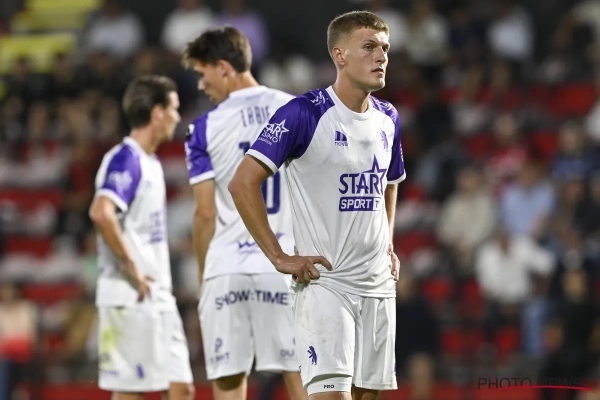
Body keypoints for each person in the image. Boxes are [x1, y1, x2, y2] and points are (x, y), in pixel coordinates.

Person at [229, 10, 405, 400]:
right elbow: (242, 183)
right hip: (327, 285)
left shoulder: (389, 118)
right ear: (339, 55)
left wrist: (389, 243)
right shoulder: (304, 113)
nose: (381, 57)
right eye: (369, 47)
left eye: (385, 48)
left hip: (378, 287)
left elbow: (389, 183)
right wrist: (278, 257)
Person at [181, 27, 306, 400]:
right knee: (301, 376)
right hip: (285, 263)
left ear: (223, 67)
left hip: (227, 270)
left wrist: (204, 278)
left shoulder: (202, 128)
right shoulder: (297, 109)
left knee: (229, 382)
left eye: (202, 73)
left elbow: (205, 215)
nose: (201, 85)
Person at [88, 75, 194, 400]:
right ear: (157, 112)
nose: (177, 116)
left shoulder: (152, 162)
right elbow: (101, 212)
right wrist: (130, 263)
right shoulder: (126, 158)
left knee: (182, 389)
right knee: (131, 394)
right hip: (129, 295)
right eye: (173, 108)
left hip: (157, 295)